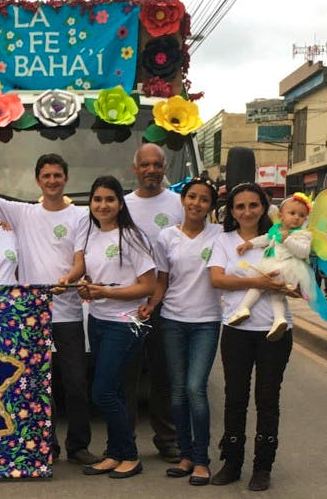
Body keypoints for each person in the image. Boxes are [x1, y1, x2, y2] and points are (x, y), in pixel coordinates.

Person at [0, 139, 98, 465]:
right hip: (32, 314)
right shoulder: (23, 213)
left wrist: (69, 278)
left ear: (66, 178)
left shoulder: (80, 215)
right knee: (38, 385)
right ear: (38, 180)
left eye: (57, 175)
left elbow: (80, 259)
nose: (52, 180)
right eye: (46, 176)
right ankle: (45, 446)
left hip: (68, 313)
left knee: (76, 384)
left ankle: (78, 445)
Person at [207, 182, 295, 492]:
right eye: (240, 207)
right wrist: (260, 282)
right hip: (236, 331)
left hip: (275, 332)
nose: (247, 212)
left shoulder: (281, 238)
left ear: (264, 207)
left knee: (268, 400)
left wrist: (292, 286)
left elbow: (297, 278)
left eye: (253, 205)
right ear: (231, 212)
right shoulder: (223, 241)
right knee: (235, 398)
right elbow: (217, 279)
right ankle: (232, 462)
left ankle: (262, 466)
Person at [141, 178, 222, 486]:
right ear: (183, 200)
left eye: (203, 199)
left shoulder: (220, 235)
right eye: (191, 197)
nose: (196, 203)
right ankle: (185, 455)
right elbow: (162, 280)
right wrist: (151, 305)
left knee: (195, 389)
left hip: (206, 322)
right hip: (172, 320)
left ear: (210, 206)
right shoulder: (167, 237)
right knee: (176, 391)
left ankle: (201, 460)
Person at [77, 176, 155, 479]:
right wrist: (87, 287)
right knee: (117, 391)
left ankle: (131, 456)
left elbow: (147, 286)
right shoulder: (91, 235)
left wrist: (106, 293)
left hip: (125, 322)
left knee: (103, 392)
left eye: (110, 199)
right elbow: (95, 277)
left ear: (121, 204)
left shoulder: (132, 237)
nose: (103, 205)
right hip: (98, 320)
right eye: (97, 199)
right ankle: (114, 453)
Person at [122, 143, 182, 460]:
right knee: (127, 376)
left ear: (164, 168)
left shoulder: (179, 203)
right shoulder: (122, 205)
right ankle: (125, 440)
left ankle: (167, 439)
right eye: (145, 165)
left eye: (157, 165)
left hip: (167, 305)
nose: (151, 170)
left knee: (163, 374)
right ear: (135, 169)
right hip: (129, 305)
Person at [233, 193, 312, 341]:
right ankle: (279, 320)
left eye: (302, 215)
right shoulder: (276, 230)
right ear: (281, 216)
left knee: (258, 286)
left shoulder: (303, 234)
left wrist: (288, 239)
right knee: (276, 296)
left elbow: (303, 252)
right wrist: (249, 244)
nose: (296, 217)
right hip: (276, 265)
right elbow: (265, 239)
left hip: (286, 268)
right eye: (292, 213)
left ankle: (243, 308)